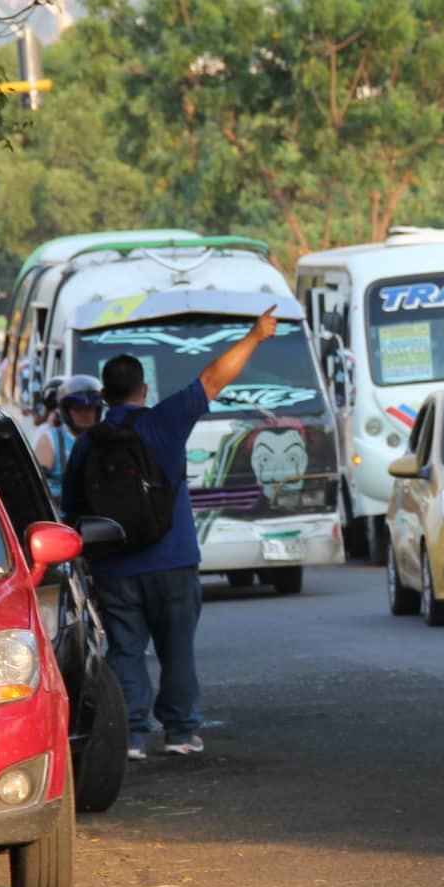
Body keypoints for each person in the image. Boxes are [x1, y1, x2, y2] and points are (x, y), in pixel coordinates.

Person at [63, 309, 278, 760]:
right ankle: (180, 732)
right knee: (177, 650)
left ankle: (131, 736)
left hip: (115, 565)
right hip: (173, 560)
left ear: (104, 396)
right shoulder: (163, 422)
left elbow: (73, 509)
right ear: (143, 390)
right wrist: (255, 336)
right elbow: (213, 378)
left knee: (125, 650)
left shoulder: (88, 444)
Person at [35, 375, 101, 505]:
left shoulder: (106, 439)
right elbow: (37, 488)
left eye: (90, 408)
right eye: (78, 409)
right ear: (66, 411)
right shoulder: (50, 440)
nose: (85, 414)